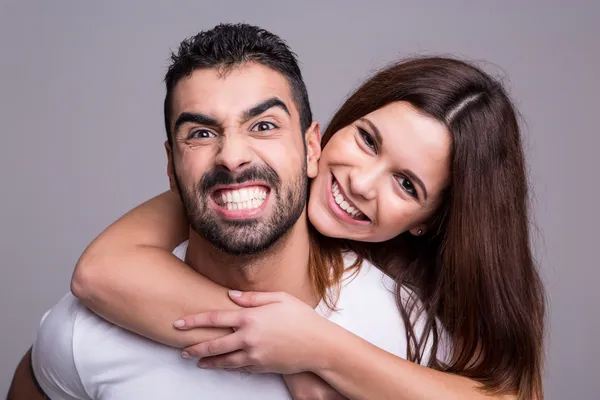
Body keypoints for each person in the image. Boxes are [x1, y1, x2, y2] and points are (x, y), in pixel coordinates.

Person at [66, 26, 545, 400]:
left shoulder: (418, 319)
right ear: (320, 139)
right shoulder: (243, 176)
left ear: (429, 221)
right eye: (367, 139)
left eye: (406, 184)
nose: (360, 180)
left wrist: (319, 348)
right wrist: (288, 346)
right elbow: (102, 272)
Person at [8, 23, 440, 400]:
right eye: (200, 132)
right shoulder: (82, 335)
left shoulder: (407, 332)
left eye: (264, 126)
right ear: (171, 168)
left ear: (312, 148)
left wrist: (316, 350)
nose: (231, 157)